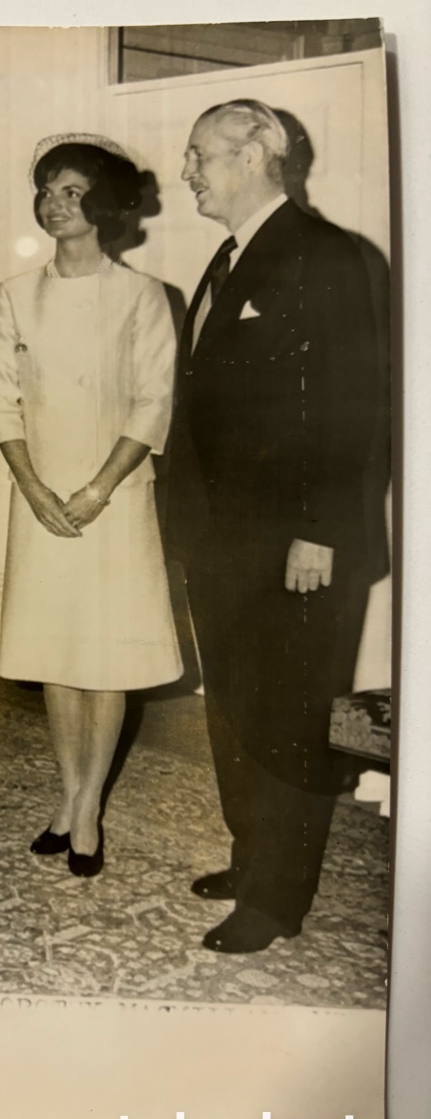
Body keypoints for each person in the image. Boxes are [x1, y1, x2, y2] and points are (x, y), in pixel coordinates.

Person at [176, 99, 382, 953]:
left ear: (259, 154)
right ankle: (253, 858)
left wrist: (320, 530)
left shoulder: (326, 256)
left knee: (290, 715)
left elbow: (351, 408)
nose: (187, 170)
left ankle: (276, 902)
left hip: (298, 543)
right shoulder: (229, 261)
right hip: (224, 540)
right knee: (232, 706)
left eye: (199, 155)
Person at [0, 135, 182, 877]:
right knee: (56, 657)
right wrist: (34, 489)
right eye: (47, 190)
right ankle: (68, 795)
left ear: (106, 204)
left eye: (72, 191)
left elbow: (153, 403)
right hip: (39, 498)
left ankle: (89, 805)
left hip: (116, 497)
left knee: (104, 660)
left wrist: (99, 488)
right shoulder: (13, 295)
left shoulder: (143, 297)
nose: (54, 203)